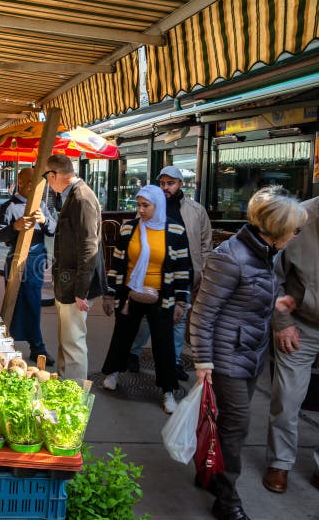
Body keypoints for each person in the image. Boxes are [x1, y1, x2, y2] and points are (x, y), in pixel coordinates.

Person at [190, 186, 306, 520]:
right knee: (236, 426)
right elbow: (204, 313)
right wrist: (203, 361)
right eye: (294, 229)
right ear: (277, 229)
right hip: (226, 355)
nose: (296, 235)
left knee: (227, 423)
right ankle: (227, 499)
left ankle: (209, 473)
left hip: (251, 352)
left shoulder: (267, 253)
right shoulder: (231, 256)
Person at [99, 185, 192, 413]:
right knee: (122, 336)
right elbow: (118, 263)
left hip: (162, 297)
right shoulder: (128, 229)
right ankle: (113, 372)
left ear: (157, 205)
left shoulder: (175, 231)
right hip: (130, 293)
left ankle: (168, 390)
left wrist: (181, 301)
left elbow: (183, 268)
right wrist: (110, 294)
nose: (140, 210)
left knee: (163, 344)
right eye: (138, 205)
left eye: (145, 205)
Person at [128, 165, 213, 379]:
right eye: (163, 183)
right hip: (156, 273)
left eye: (171, 183)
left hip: (185, 272)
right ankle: (134, 353)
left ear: (180, 185)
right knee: (148, 318)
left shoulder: (196, 211)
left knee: (179, 317)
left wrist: (201, 270)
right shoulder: (152, 207)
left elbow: (206, 244)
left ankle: (174, 362)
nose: (166, 187)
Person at [263, 195, 319, 494]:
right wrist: (282, 323)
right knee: (286, 399)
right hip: (300, 325)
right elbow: (273, 276)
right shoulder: (299, 217)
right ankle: (280, 463)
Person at [45, 154, 106, 380]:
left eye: (48, 178)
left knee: (73, 343)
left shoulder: (81, 198)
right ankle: (64, 386)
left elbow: (89, 248)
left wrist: (81, 291)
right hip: (69, 282)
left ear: (54, 175)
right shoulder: (75, 195)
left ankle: (74, 398)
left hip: (76, 286)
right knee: (67, 341)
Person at [0, 167, 56, 364]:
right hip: (17, 259)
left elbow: (53, 230)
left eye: (38, 186)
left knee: (32, 303)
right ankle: (7, 342)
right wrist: (15, 227)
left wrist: (44, 220)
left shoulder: (41, 205)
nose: (34, 189)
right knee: (13, 303)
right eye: (31, 184)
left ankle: (37, 346)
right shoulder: (9, 207)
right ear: (20, 182)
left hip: (36, 262)